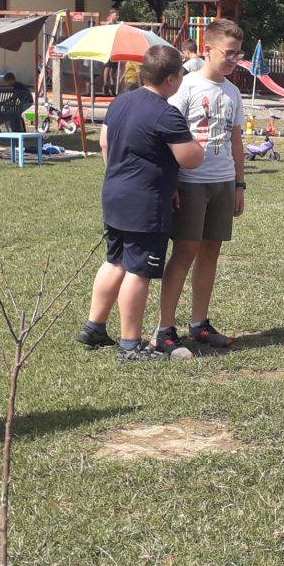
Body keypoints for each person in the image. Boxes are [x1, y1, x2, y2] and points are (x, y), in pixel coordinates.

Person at [77, 45, 204, 361]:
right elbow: (190, 159)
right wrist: (200, 145)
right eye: (181, 75)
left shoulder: (121, 101)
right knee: (138, 271)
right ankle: (130, 345)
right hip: (145, 203)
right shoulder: (165, 113)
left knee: (115, 261)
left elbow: (104, 142)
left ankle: (94, 327)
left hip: (115, 193)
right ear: (171, 78)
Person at [154, 18, 246, 354]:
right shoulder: (187, 87)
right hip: (191, 183)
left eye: (238, 54)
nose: (234, 60)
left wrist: (239, 184)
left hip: (222, 182)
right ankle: (164, 329)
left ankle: (199, 323)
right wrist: (172, 183)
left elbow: (236, 141)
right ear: (208, 50)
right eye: (228, 53)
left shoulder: (233, 92)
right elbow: (167, 137)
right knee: (184, 253)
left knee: (211, 252)